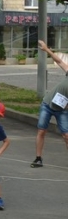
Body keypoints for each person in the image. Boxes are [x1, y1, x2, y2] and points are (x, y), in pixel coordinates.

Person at [30, 40, 68, 168]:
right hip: (47, 103)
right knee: (42, 131)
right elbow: (59, 61)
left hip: (62, 110)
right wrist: (46, 49)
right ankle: (38, 158)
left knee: (66, 135)